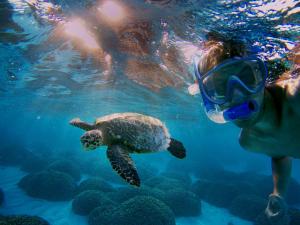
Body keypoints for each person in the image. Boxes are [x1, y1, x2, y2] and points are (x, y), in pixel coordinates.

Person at [193, 33, 299, 225]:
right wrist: (278, 195)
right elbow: (281, 153)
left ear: (261, 76)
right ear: (210, 100)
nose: (237, 95)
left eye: (246, 78)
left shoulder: (296, 98)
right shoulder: (249, 142)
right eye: (220, 87)